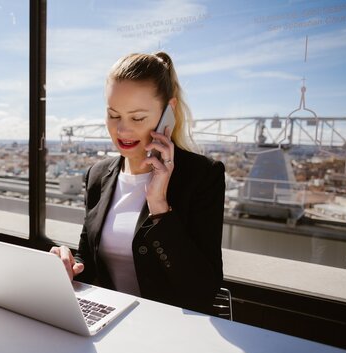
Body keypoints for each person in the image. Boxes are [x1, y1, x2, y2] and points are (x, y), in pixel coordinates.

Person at [50, 52, 225, 315]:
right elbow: (90, 263)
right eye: (113, 115)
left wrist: (159, 207)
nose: (122, 130)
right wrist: (68, 264)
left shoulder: (202, 176)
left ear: (169, 111)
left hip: (171, 332)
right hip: (109, 323)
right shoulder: (97, 175)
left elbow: (202, 292)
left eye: (137, 118)